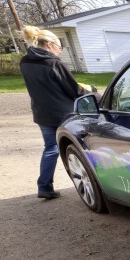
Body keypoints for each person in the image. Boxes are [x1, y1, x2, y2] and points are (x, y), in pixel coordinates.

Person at [20, 25, 88, 199]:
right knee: (83, 146)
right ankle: (92, 183)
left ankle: (44, 186)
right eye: (59, 46)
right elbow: (74, 90)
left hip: (42, 113)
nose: (60, 50)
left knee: (51, 148)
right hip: (63, 114)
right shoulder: (54, 63)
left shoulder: (25, 62)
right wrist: (93, 93)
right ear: (49, 44)